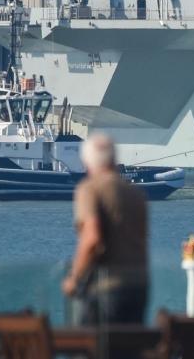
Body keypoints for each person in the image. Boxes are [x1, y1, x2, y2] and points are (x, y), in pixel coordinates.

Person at [62, 134, 149, 326]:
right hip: (139, 286)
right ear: (114, 158)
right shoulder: (136, 194)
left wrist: (74, 279)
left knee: (93, 348)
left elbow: (92, 239)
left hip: (108, 287)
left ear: (86, 161)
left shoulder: (90, 189)